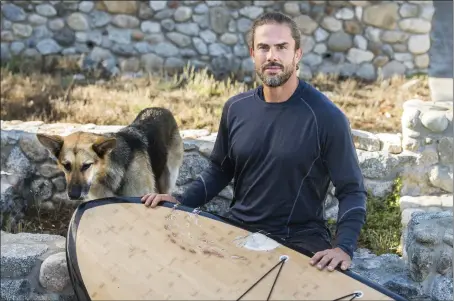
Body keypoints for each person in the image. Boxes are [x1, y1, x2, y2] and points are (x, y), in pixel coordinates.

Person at [141, 12, 367, 272]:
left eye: (282, 47)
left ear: (297, 54)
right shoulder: (236, 108)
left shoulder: (327, 117)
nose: (272, 56)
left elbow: (352, 190)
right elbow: (220, 168)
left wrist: (343, 247)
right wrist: (183, 200)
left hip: (300, 240)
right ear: (253, 53)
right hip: (238, 231)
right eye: (264, 47)